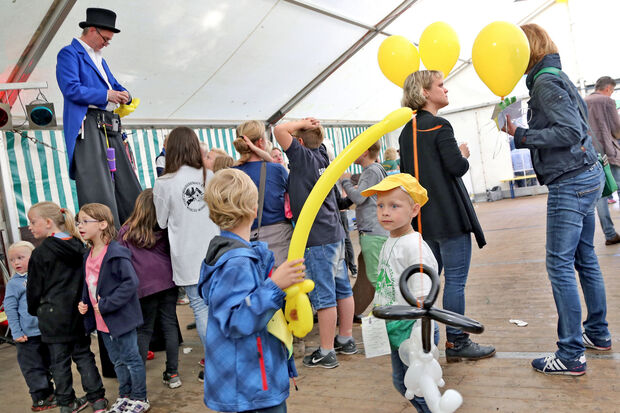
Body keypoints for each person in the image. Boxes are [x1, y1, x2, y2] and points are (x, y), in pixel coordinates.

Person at [504, 24, 611, 375]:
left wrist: (520, 134)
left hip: (571, 182)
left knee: (559, 265)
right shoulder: (555, 75)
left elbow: (569, 131)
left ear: (527, 49)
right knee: (585, 259)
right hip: (586, 176)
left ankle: (570, 354)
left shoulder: (546, 83)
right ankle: (597, 334)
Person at [399, 70, 494, 362]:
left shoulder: (406, 131)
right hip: (450, 217)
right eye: (440, 85)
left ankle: (425, 339)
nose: (446, 89)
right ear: (425, 93)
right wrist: (463, 154)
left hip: (423, 221)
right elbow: (455, 167)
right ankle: (457, 341)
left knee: (426, 282)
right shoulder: (440, 125)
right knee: (454, 282)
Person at [197, 168, 303, 412]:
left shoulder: (231, 255)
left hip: (246, 383)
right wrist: (275, 286)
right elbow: (237, 320)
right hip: (249, 388)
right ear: (254, 210)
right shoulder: (237, 262)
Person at [274, 118, 356, 368]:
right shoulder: (322, 155)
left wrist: (298, 123)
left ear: (298, 141)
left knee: (324, 296)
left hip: (317, 238)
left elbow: (278, 129)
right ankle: (346, 339)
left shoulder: (302, 157)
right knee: (343, 288)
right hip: (334, 232)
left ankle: (327, 351)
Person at [56, 8, 142, 226]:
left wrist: (125, 95)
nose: (106, 44)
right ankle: (105, 234)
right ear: (92, 31)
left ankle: (134, 229)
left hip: (108, 123)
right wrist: (107, 95)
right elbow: (71, 89)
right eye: (105, 39)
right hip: (88, 124)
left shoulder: (100, 60)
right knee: (98, 183)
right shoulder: (68, 54)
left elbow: (114, 85)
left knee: (125, 180)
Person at [361, 173, 438, 413]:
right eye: (381, 205)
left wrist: (420, 338)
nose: (385, 212)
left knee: (422, 389)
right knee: (401, 382)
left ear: (414, 210)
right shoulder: (389, 241)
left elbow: (425, 296)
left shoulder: (415, 248)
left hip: (413, 331)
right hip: (395, 327)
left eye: (394, 206)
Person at [152, 126, 219, 382]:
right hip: (216, 251)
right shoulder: (210, 175)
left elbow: (160, 221)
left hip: (187, 255)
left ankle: (215, 365)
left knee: (201, 310)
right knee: (220, 307)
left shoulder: (164, 182)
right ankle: (228, 359)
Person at [26, 202, 106, 413]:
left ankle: (66, 404)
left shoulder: (40, 253)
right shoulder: (81, 247)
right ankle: (97, 399)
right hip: (78, 312)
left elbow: (34, 289)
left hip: (52, 316)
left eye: (33, 222)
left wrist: (34, 309)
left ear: (49, 222)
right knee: (83, 355)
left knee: (58, 361)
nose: (30, 227)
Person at [77, 203, 148, 412]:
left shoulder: (116, 252)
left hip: (120, 318)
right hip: (102, 322)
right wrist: (85, 303)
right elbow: (89, 283)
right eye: (78, 222)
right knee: (117, 361)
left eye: (84, 221)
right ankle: (125, 396)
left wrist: (107, 304)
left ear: (102, 224)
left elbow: (130, 283)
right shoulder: (87, 255)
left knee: (131, 359)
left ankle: (140, 398)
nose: (80, 226)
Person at [118, 189, 181, 389]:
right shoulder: (166, 229)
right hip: (169, 282)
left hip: (143, 286)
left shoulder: (126, 232)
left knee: (144, 330)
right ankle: (173, 374)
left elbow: (121, 263)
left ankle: (137, 375)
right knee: (170, 325)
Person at [5, 241, 56, 412]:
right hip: (27, 336)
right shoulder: (14, 284)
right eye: (12, 260)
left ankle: (50, 394)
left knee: (48, 364)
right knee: (33, 368)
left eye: (20, 258)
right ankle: (40, 399)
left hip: (44, 332)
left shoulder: (41, 277)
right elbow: (10, 310)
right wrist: (17, 332)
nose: (16, 263)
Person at [234, 121, 293, 266]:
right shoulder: (276, 170)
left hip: (245, 239)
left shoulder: (232, 174)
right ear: (260, 142)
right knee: (285, 285)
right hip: (279, 237)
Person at [340, 140, 389, 287]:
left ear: (364, 152)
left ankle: (386, 308)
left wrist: (345, 182)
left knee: (376, 278)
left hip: (372, 231)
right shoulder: (377, 169)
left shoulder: (371, 171)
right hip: (377, 229)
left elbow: (359, 198)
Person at [585, 76, 620, 245]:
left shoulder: (583, 101)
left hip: (591, 155)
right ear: (608, 89)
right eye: (612, 91)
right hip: (609, 152)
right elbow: (617, 129)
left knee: (601, 194)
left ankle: (610, 234)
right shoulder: (607, 102)